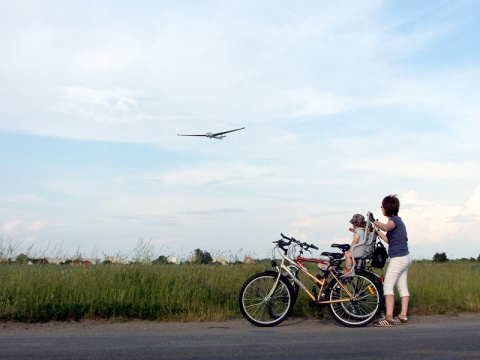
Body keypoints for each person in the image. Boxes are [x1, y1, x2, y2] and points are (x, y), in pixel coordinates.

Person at [368, 194, 412, 327]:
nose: (381, 208)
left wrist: (373, 220)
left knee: (387, 286)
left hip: (398, 258)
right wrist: (376, 231)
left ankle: (388, 318)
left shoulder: (394, 221)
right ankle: (403, 316)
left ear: (387, 208)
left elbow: (386, 227)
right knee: (402, 286)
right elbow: (388, 239)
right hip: (405, 257)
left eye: (382, 206)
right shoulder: (398, 221)